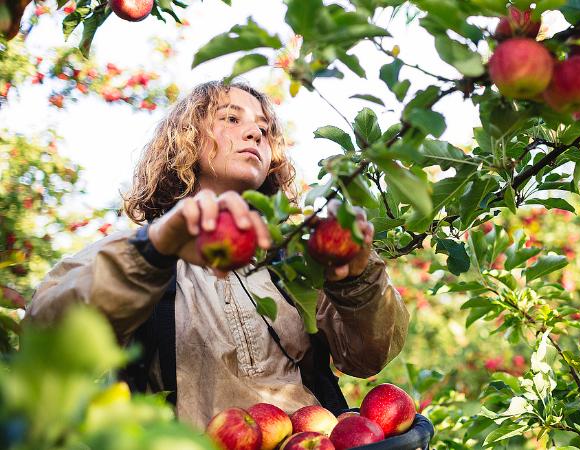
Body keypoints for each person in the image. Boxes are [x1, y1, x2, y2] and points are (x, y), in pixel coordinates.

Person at [26, 81, 410, 429]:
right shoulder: (139, 251)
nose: (255, 132)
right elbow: (48, 338)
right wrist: (155, 252)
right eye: (231, 118)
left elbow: (368, 357)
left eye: (264, 127)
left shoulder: (292, 261)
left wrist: (357, 279)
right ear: (188, 139)